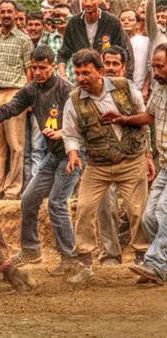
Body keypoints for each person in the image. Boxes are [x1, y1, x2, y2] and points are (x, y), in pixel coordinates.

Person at [0, 45, 79, 272]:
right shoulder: (32, 89)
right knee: (28, 198)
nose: (38, 72)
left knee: (57, 203)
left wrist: (62, 133)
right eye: (35, 68)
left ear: (52, 66)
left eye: (43, 68)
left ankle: (70, 258)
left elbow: (82, 125)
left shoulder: (66, 90)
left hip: (73, 154)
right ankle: (31, 249)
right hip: (53, 154)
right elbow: (8, 109)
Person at [63, 48, 152, 284]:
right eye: (78, 73)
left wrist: (148, 155)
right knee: (83, 208)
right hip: (98, 165)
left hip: (131, 160)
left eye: (86, 73)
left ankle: (144, 259)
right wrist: (73, 155)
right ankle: (85, 264)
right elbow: (70, 134)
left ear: (100, 72)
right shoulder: (73, 100)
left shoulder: (124, 87)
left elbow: (144, 119)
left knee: (138, 211)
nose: (81, 78)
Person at [0, 0, 33, 200]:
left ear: (15, 14)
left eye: (9, 11)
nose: (6, 15)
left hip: (15, 92)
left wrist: (27, 99)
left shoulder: (23, 39)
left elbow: (29, 70)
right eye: (2, 11)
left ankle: (12, 188)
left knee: (16, 144)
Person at [129, 43, 167, 285]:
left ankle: (155, 264)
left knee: (164, 211)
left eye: (161, 66)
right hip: (164, 162)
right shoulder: (159, 88)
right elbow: (150, 116)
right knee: (150, 216)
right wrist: (125, 119)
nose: (156, 71)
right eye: (154, 67)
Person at [57, 0, 131, 82]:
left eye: (92, 0)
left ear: (100, 1)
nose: (88, 3)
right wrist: (63, 76)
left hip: (106, 79)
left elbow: (123, 52)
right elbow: (63, 53)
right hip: (82, 78)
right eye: (85, 0)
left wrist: (122, 78)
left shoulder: (112, 22)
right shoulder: (73, 23)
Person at [119, 9, 150, 97]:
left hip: (139, 90)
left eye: (130, 19)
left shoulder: (146, 41)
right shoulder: (114, 41)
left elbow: (150, 68)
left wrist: (145, 88)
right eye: (122, 20)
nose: (126, 22)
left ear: (137, 24)